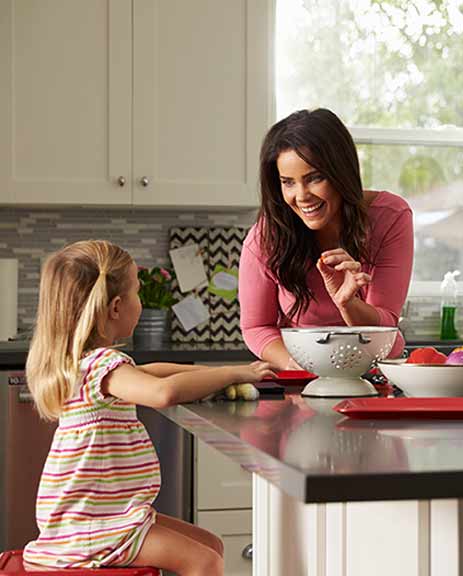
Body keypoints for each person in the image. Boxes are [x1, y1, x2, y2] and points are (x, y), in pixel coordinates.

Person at [23, 240, 274, 576]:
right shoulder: (102, 365)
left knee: (211, 544)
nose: (141, 303)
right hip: (92, 526)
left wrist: (216, 375)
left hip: (103, 514)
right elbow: (162, 391)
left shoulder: (85, 363)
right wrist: (232, 372)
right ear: (115, 307)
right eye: (138, 293)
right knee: (205, 561)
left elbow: (151, 371)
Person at [239, 108, 414, 370]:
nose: (301, 196)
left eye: (314, 178)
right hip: (301, 372)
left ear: (341, 173)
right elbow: (256, 327)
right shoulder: (266, 238)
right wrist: (299, 366)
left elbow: (385, 326)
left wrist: (348, 304)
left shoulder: (390, 217)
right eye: (288, 182)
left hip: (375, 368)